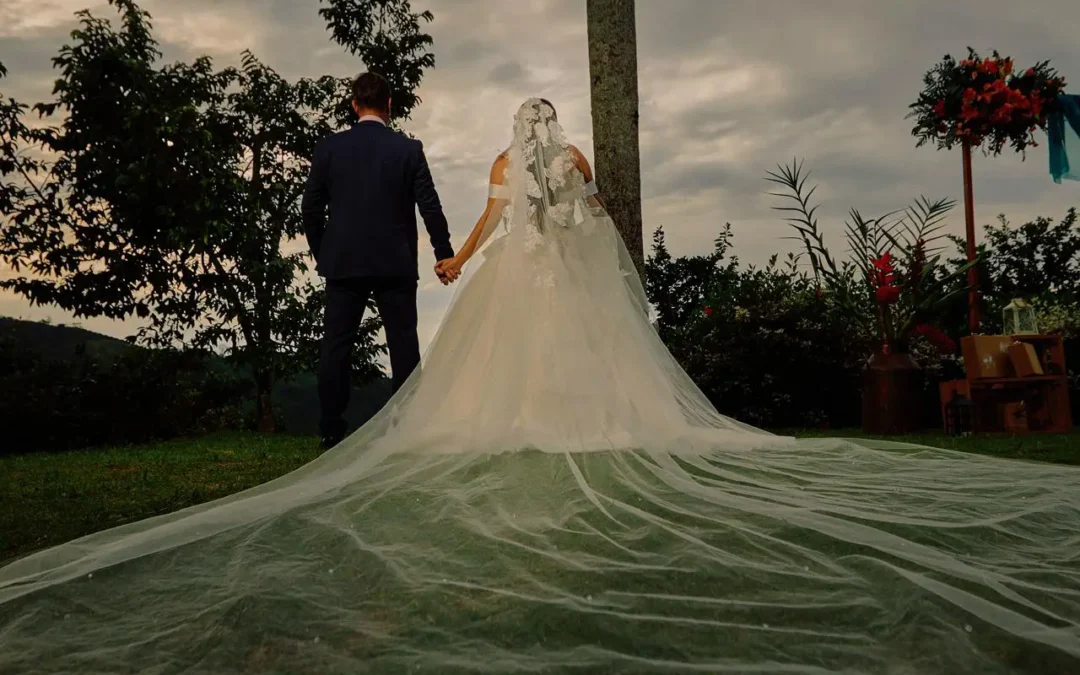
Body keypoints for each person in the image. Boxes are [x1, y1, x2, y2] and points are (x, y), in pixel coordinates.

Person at [2, 99, 1079, 673]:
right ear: (558, 130)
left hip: (511, 281)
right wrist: (524, 250)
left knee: (471, 373)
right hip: (557, 282)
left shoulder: (505, 173)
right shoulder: (569, 172)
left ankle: (418, 425)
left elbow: (482, 224)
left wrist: (465, 260)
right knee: (580, 369)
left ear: (518, 137)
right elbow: (597, 228)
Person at [301, 72, 460, 450]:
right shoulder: (408, 150)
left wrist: (323, 253)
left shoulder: (329, 148)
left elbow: (310, 207)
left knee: (336, 345)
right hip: (395, 261)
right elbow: (430, 207)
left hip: (343, 261)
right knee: (403, 344)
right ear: (389, 105)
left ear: (354, 105)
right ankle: (406, 427)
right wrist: (443, 253)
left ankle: (330, 429)